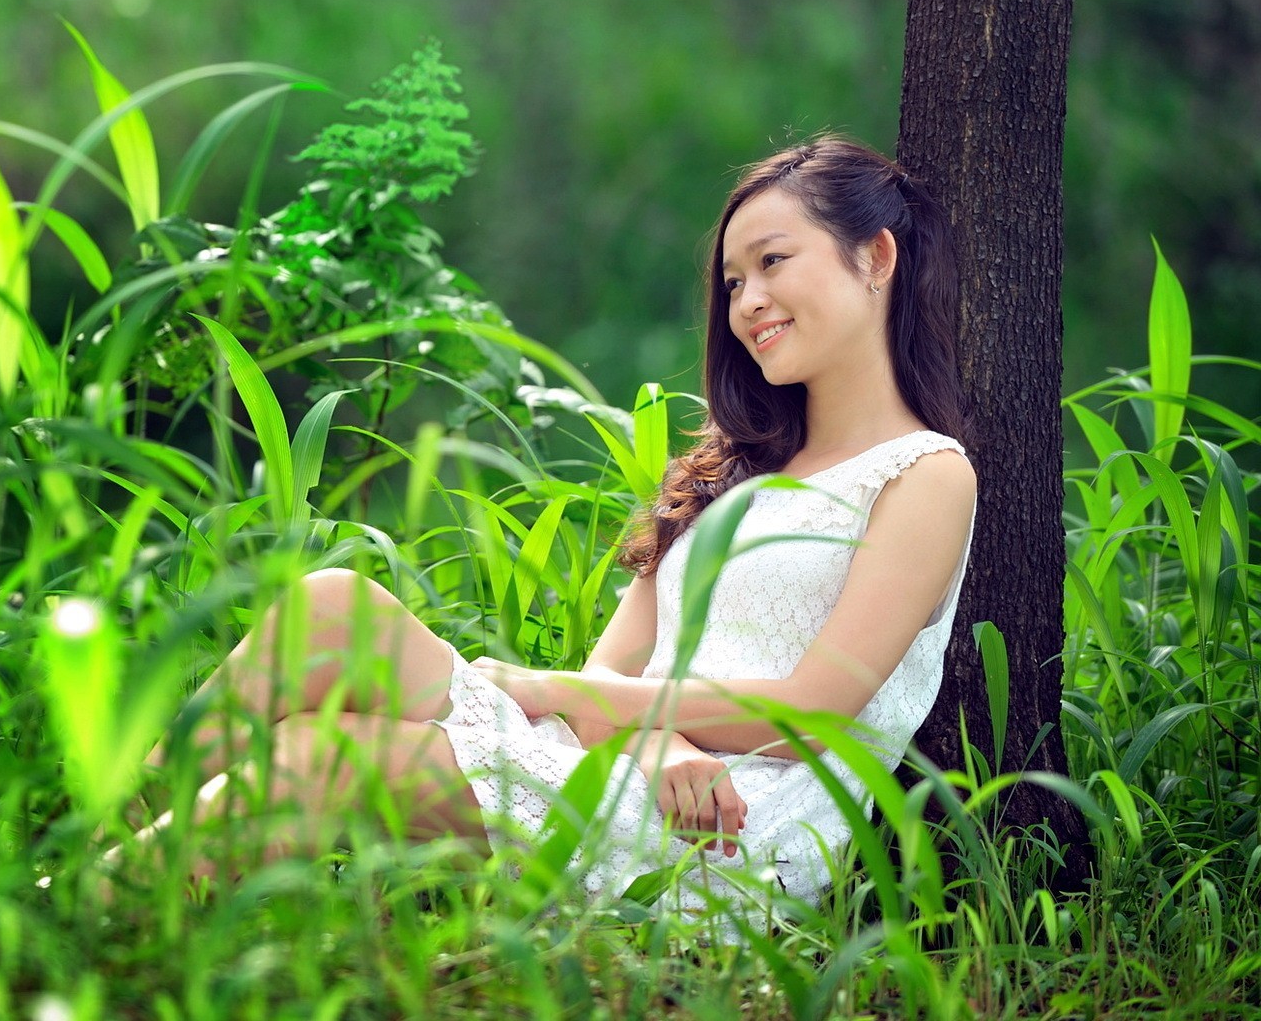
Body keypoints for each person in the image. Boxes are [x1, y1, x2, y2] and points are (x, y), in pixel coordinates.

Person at [110, 135, 979, 926]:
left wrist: (553, 693)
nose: (748, 301)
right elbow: (610, 674)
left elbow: (812, 712)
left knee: (318, 755)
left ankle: (84, 916)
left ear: (876, 256)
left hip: (732, 822)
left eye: (772, 263)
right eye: (732, 282)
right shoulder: (737, 472)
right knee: (328, 608)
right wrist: (657, 739)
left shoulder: (924, 474)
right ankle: (91, 870)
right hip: (635, 762)